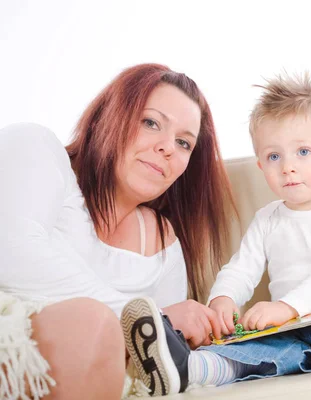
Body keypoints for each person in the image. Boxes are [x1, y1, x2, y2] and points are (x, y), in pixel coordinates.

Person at [122, 72, 311, 396]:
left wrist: (287, 306)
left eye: (304, 152)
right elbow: (242, 267)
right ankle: (190, 368)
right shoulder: (268, 219)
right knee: (268, 353)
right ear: (261, 166)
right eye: (274, 156)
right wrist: (222, 300)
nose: (288, 167)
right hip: (294, 329)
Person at [0, 63, 236, 399]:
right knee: (89, 323)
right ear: (104, 118)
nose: (168, 147)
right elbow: (9, 248)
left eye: (184, 143)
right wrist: (150, 319)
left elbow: (162, 357)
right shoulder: (35, 146)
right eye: (151, 122)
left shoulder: (162, 243)